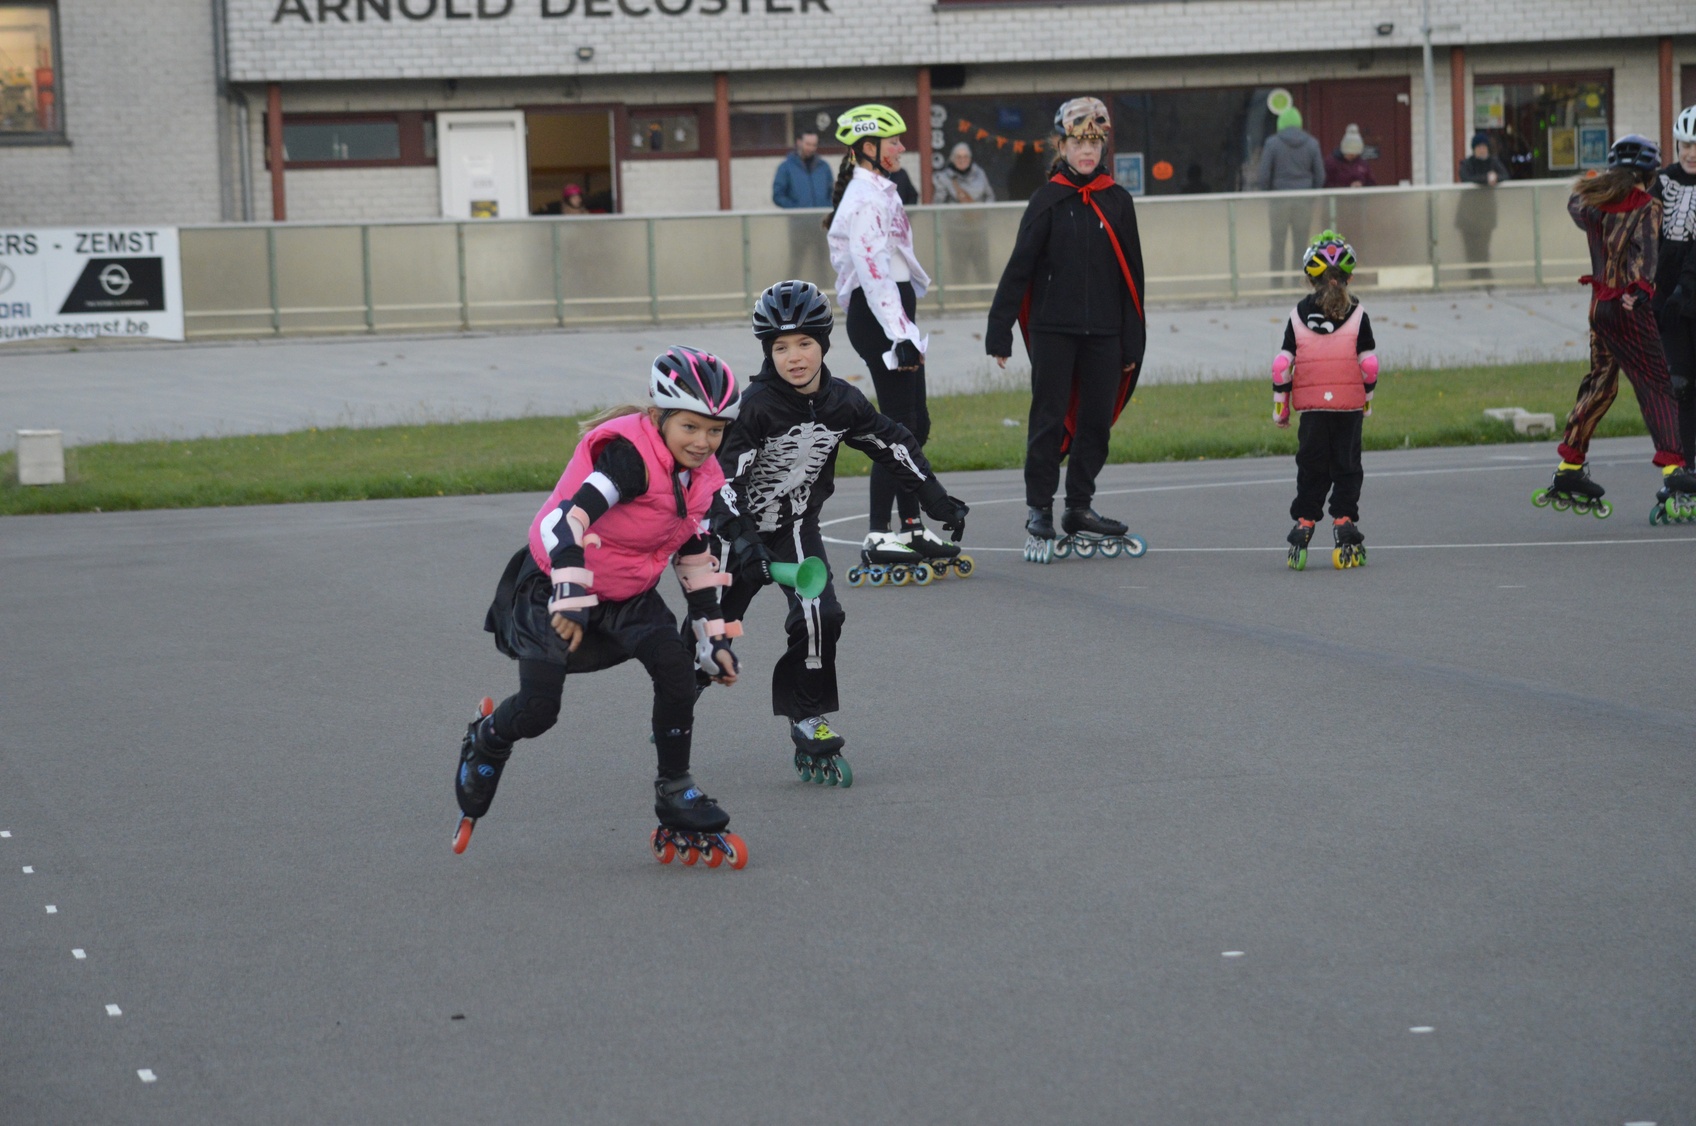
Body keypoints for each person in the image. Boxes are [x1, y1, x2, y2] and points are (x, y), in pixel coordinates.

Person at [452, 346, 750, 867]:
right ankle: (488, 737)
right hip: (555, 584)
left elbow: (693, 554)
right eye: (690, 427)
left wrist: (713, 637)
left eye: (715, 430)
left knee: (677, 672)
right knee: (540, 710)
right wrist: (570, 592)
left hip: (628, 593)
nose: (703, 442)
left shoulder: (703, 477)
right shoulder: (628, 459)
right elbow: (563, 521)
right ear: (658, 417)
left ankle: (675, 788)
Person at [710, 280, 969, 783]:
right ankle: (680, 696)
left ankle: (807, 716)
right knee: (712, 633)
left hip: (794, 527)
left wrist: (934, 497)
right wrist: (742, 543)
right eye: (781, 348)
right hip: (735, 532)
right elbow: (722, 484)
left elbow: (891, 442)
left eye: (805, 343)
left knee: (821, 615)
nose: (794, 357)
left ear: (824, 344)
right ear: (768, 353)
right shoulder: (755, 407)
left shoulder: (841, 402)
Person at [985, 96, 1147, 560]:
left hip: (1106, 332)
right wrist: (999, 330)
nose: (1087, 151)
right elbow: (1019, 268)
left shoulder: (1118, 201)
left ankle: (1079, 506)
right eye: (1078, 142)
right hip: (1053, 329)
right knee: (1048, 419)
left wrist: (1132, 340)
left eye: (1095, 143)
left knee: (1096, 422)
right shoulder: (1047, 200)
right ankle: (1040, 508)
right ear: (1061, 146)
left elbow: (1132, 277)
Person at [1542, 134, 1696, 520]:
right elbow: (1647, 252)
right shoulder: (1647, 205)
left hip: (1599, 307)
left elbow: (1574, 204)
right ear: (1649, 173)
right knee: (1657, 385)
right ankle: (1675, 468)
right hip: (1628, 308)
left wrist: (1596, 180)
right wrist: (1642, 290)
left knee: (1600, 384)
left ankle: (1570, 466)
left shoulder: (1591, 203)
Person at [825, 104, 951, 568]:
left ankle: (912, 527)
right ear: (868, 147)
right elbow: (873, 270)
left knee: (915, 426)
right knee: (896, 429)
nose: (901, 147)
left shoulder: (880, 190)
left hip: (893, 311)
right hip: (880, 314)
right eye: (894, 141)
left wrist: (905, 325)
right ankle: (879, 534)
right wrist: (900, 333)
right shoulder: (864, 197)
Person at [1273, 231, 1377, 571]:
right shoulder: (1358, 314)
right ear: (1348, 278)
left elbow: (1282, 365)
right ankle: (1344, 523)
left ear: (1310, 279)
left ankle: (1304, 525)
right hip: (1348, 408)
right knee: (1347, 466)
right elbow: (1369, 365)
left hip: (1312, 410)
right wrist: (1367, 399)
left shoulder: (1297, 315)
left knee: (1312, 466)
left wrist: (1280, 408)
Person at [1655, 106, 1696, 466]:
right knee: (1679, 385)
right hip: (1668, 303)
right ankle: (1684, 465)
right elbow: (1644, 233)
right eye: (1686, 145)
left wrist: (1685, 287)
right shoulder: (1664, 181)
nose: (1691, 153)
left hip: (1690, 293)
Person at [1257, 106, 1326, 288]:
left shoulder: (1272, 143)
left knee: (1277, 243)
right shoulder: (1312, 144)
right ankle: (1298, 282)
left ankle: (1276, 283)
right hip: (1303, 200)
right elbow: (1320, 175)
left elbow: (1263, 176)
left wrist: (1271, 194)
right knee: (1301, 243)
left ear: (1280, 123)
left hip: (1279, 200)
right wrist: (1310, 194)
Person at [773, 129, 835, 287]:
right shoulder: (786, 167)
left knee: (822, 264)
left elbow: (833, 192)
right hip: (799, 226)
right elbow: (778, 195)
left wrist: (827, 208)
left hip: (821, 225)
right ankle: (788, 295)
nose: (811, 148)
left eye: (814, 145)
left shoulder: (824, 167)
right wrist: (797, 210)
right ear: (799, 142)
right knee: (796, 264)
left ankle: (823, 296)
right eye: (808, 144)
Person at [934, 142, 997, 289]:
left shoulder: (980, 174)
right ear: (952, 159)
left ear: (970, 158)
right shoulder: (944, 178)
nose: (962, 160)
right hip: (957, 232)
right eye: (958, 157)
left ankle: (985, 297)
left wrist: (983, 211)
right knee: (959, 270)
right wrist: (954, 214)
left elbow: (990, 196)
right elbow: (937, 204)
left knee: (983, 269)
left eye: (965, 157)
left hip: (979, 229)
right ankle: (960, 297)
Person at [1456, 134, 1511, 281]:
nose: (1482, 150)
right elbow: (1465, 177)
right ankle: (1473, 278)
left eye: (1484, 147)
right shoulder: (1467, 163)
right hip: (1467, 216)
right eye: (1479, 147)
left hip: (1486, 215)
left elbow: (1505, 175)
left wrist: (1496, 178)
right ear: (1474, 149)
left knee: (1484, 248)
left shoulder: (1493, 162)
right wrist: (1486, 179)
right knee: (1470, 250)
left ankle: (1486, 278)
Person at [1324, 125, 1376, 189]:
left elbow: (1371, 183)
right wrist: (1347, 187)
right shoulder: (1331, 163)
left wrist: (1362, 185)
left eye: (1355, 154)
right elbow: (1326, 184)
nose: (1352, 157)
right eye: (1349, 154)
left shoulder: (1362, 163)